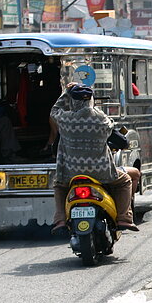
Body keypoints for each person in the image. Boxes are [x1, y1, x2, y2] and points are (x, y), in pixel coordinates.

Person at [48, 83, 138, 234]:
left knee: (58, 185)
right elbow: (117, 134)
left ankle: (60, 220)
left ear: (72, 101)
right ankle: (124, 218)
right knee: (125, 181)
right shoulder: (101, 119)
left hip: (70, 173)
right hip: (102, 174)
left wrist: (66, 91)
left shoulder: (65, 119)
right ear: (91, 100)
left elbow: (54, 111)